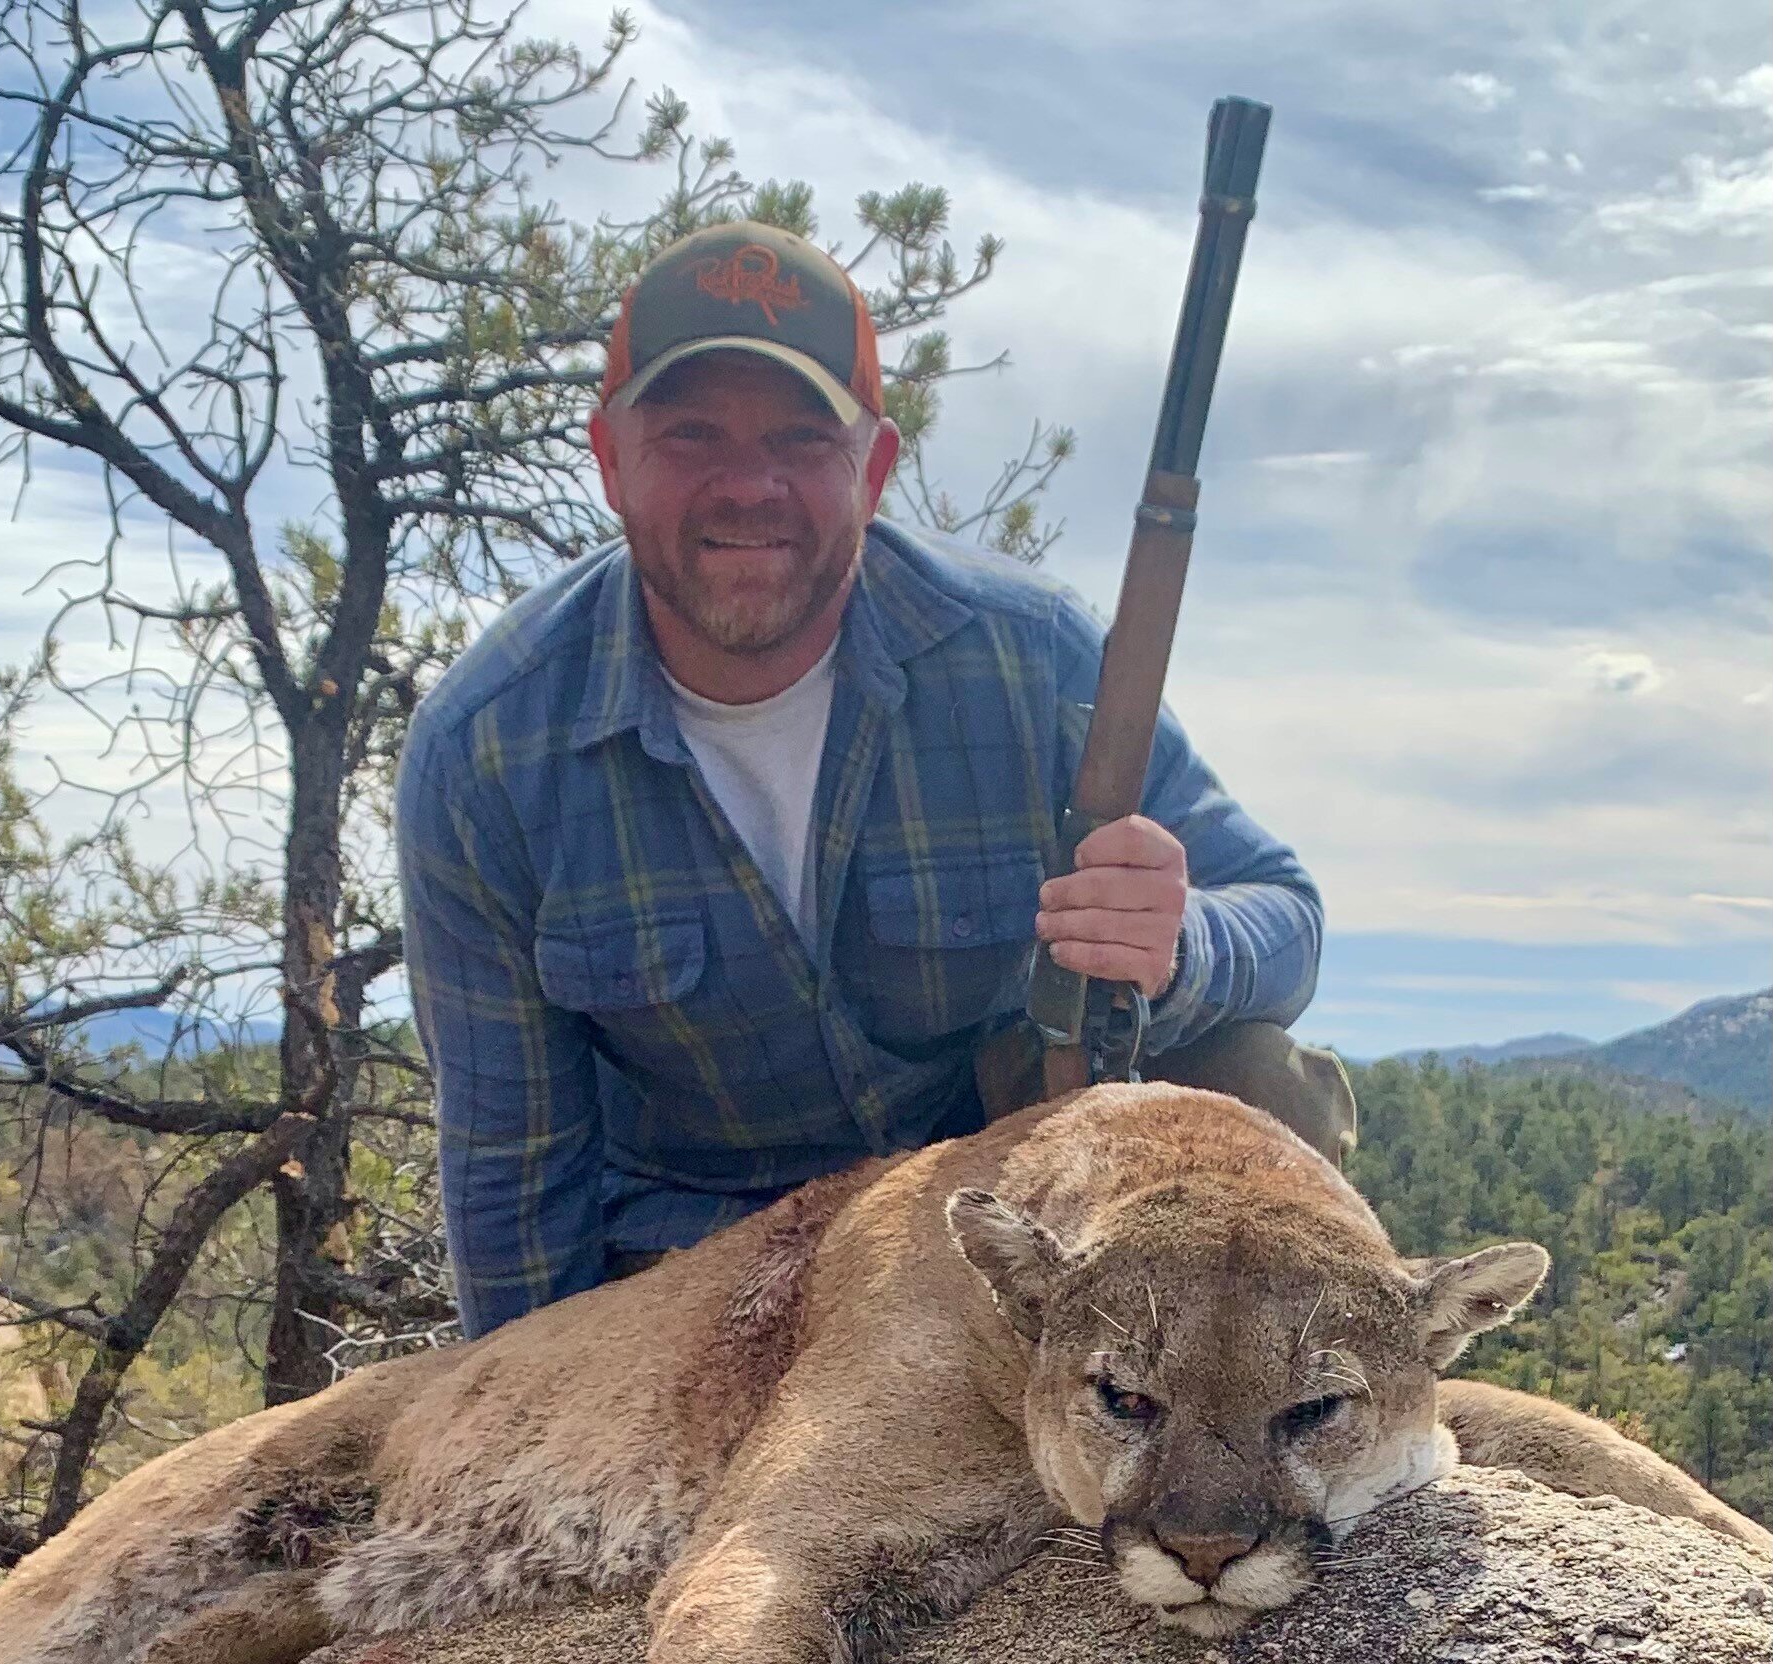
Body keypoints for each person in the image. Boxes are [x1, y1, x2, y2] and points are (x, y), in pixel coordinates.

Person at [396, 219, 1356, 1340]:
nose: (747, 485)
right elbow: (514, 1177)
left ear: (877, 468)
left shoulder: (1026, 655)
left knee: (1253, 1076)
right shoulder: (487, 752)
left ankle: (1273, 1448)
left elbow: (1287, 920)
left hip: (985, 1220)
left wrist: (1179, 941)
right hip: (691, 1268)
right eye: (692, 434)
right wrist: (520, 1421)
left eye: (802, 440)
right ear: (611, 460)